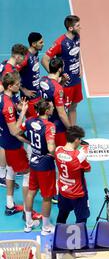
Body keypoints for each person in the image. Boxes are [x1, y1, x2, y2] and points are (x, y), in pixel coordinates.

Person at [22, 99, 56, 234]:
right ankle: (46, 227)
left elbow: (18, 132)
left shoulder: (30, 120)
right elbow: (51, 147)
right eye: (51, 107)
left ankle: (28, 224)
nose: (53, 108)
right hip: (45, 164)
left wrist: (29, 142)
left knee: (31, 192)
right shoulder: (49, 126)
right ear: (47, 111)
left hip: (33, 162)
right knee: (47, 196)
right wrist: (56, 152)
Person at [42, 15, 82, 126]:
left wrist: (81, 68)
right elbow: (45, 59)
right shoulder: (60, 43)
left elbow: (77, 53)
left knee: (74, 106)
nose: (80, 27)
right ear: (70, 28)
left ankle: (73, 133)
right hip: (66, 83)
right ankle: (65, 133)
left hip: (76, 79)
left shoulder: (77, 36)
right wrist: (56, 76)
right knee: (64, 108)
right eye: (78, 26)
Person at [0, 72, 31, 216]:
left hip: (5, 141)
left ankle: (10, 205)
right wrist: (23, 112)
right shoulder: (8, 105)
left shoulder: (4, 98)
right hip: (13, 144)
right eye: (17, 85)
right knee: (28, 173)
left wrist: (18, 108)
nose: (19, 87)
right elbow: (14, 131)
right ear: (10, 86)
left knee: (10, 171)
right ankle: (27, 211)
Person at [54, 126, 91, 223]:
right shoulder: (79, 156)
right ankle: (81, 236)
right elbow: (88, 169)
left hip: (63, 191)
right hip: (78, 193)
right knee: (82, 218)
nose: (80, 142)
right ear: (76, 140)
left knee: (62, 214)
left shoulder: (58, 150)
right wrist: (85, 152)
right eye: (80, 139)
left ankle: (59, 234)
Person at [39, 57, 72, 147]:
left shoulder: (42, 80)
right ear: (60, 69)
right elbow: (61, 114)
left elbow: (52, 94)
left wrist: (61, 83)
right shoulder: (57, 88)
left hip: (44, 122)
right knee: (60, 152)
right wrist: (70, 129)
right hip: (57, 126)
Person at [19, 32, 45, 118]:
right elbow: (12, 74)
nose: (43, 44)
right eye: (40, 42)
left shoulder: (35, 53)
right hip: (30, 98)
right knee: (35, 122)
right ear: (33, 44)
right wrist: (23, 90)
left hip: (37, 94)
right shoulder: (25, 58)